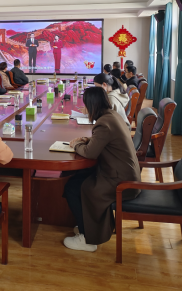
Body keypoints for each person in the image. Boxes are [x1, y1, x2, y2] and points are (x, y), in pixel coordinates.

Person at [62, 87, 141, 251]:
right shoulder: (112, 116)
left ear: (92, 105)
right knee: (77, 179)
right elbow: (103, 140)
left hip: (121, 181)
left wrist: (76, 145)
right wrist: (86, 139)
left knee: (74, 188)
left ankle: (87, 238)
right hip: (124, 174)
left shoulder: (104, 123)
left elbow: (89, 153)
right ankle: (87, 225)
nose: (85, 110)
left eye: (85, 106)